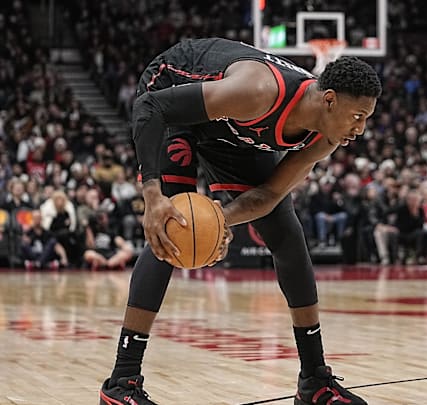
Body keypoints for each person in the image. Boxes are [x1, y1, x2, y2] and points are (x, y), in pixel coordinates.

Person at [99, 37, 381, 405]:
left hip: (231, 128)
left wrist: (220, 218)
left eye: (367, 119)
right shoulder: (258, 90)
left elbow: (267, 196)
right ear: (329, 100)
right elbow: (150, 106)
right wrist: (153, 196)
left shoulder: (327, 136)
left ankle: (314, 380)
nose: (360, 130)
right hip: (173, 95)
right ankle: (121, 384)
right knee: (171, 229)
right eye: (357, 117)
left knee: (286, 233)